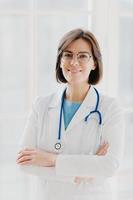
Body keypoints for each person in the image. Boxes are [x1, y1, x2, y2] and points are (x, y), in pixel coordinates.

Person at [16, 28, 125, 200]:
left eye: (82, 56)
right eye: (68, 55)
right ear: (60, 61)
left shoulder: (110, 108)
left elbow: (110, 165)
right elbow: (24, 163)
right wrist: (81, 172)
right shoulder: (41, 106)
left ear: (94, 63)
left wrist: (51, 159)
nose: (74, 62)